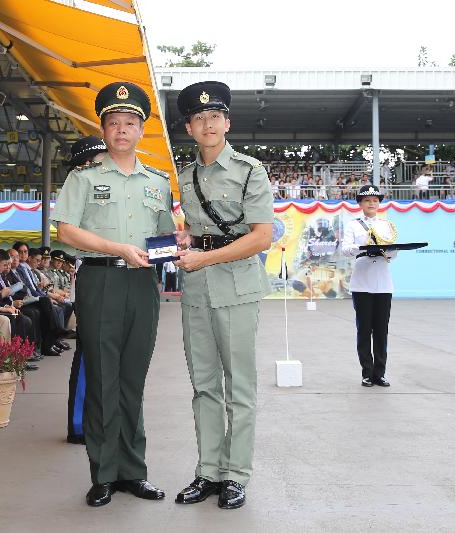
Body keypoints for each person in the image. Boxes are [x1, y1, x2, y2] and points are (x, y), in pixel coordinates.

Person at [53, 81, 175, 507]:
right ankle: (103, 473)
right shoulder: (83, 178)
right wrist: (117, 247)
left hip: (143, 284)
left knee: (133, 378)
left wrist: (180, 240)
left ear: (141, 130)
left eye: (130, 123)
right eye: (113, 123)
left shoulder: (158, 182)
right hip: (100, 280)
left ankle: (132, 472)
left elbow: (164, 237)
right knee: (103, 376)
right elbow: (66, 229)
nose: (121, 130)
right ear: (103, 130)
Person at [173, 81, 274, 510]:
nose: (208, 123)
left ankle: (236, 475)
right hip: (196, 290)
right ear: (190, 128)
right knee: (204, 387)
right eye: (199, 118)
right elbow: (194, 232)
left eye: (215, 116)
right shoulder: (184, 175)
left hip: (237, 286)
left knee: (240, 389)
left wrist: (203, 258)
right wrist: (183, 242)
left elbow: (261, 238)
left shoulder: (251, 170)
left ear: (227, 123)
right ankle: (208, 471)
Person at [62, 136, 108, 447]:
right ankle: (79, 423)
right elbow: (68, 234)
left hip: (129, 277)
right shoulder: (77, 189)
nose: (89, 168)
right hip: (94, 274)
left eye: (94, 161)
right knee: (88, 352)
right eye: (83, 164)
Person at [340, 184, 398, 387]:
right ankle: (367, 372)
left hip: (383, 283)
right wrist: (363, 246)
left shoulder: (386, 224)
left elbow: (393, 253)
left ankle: (380, 373)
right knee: (364, 329)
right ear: (360, 204)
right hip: (362, 283)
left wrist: (385, 250)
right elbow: (345, 250)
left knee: (381, 330)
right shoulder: (352, 225)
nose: (371, 203)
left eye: (375, 200)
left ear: (379, 203)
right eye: (367, 200)